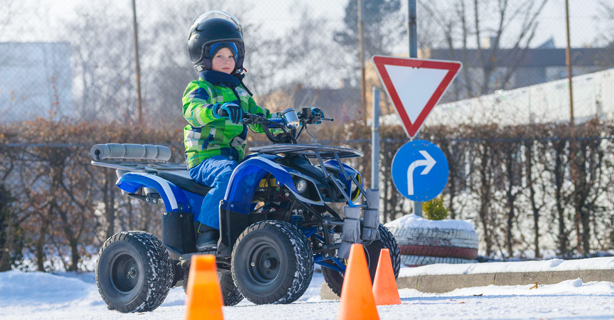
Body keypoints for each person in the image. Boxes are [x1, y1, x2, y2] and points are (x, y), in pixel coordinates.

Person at [183, 11, 278, 251]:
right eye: (219, 55)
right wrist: (217, 110)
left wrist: (284, 120)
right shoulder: (200, 87)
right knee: (227, 176)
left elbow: (259, 117)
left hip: (233, 158)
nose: (227, 61)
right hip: (205, 159)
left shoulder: (241, 92)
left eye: (231, 56)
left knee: (264, 174)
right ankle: (207, 232)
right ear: (204, 58)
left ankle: (258, 232)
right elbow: (193, 111)